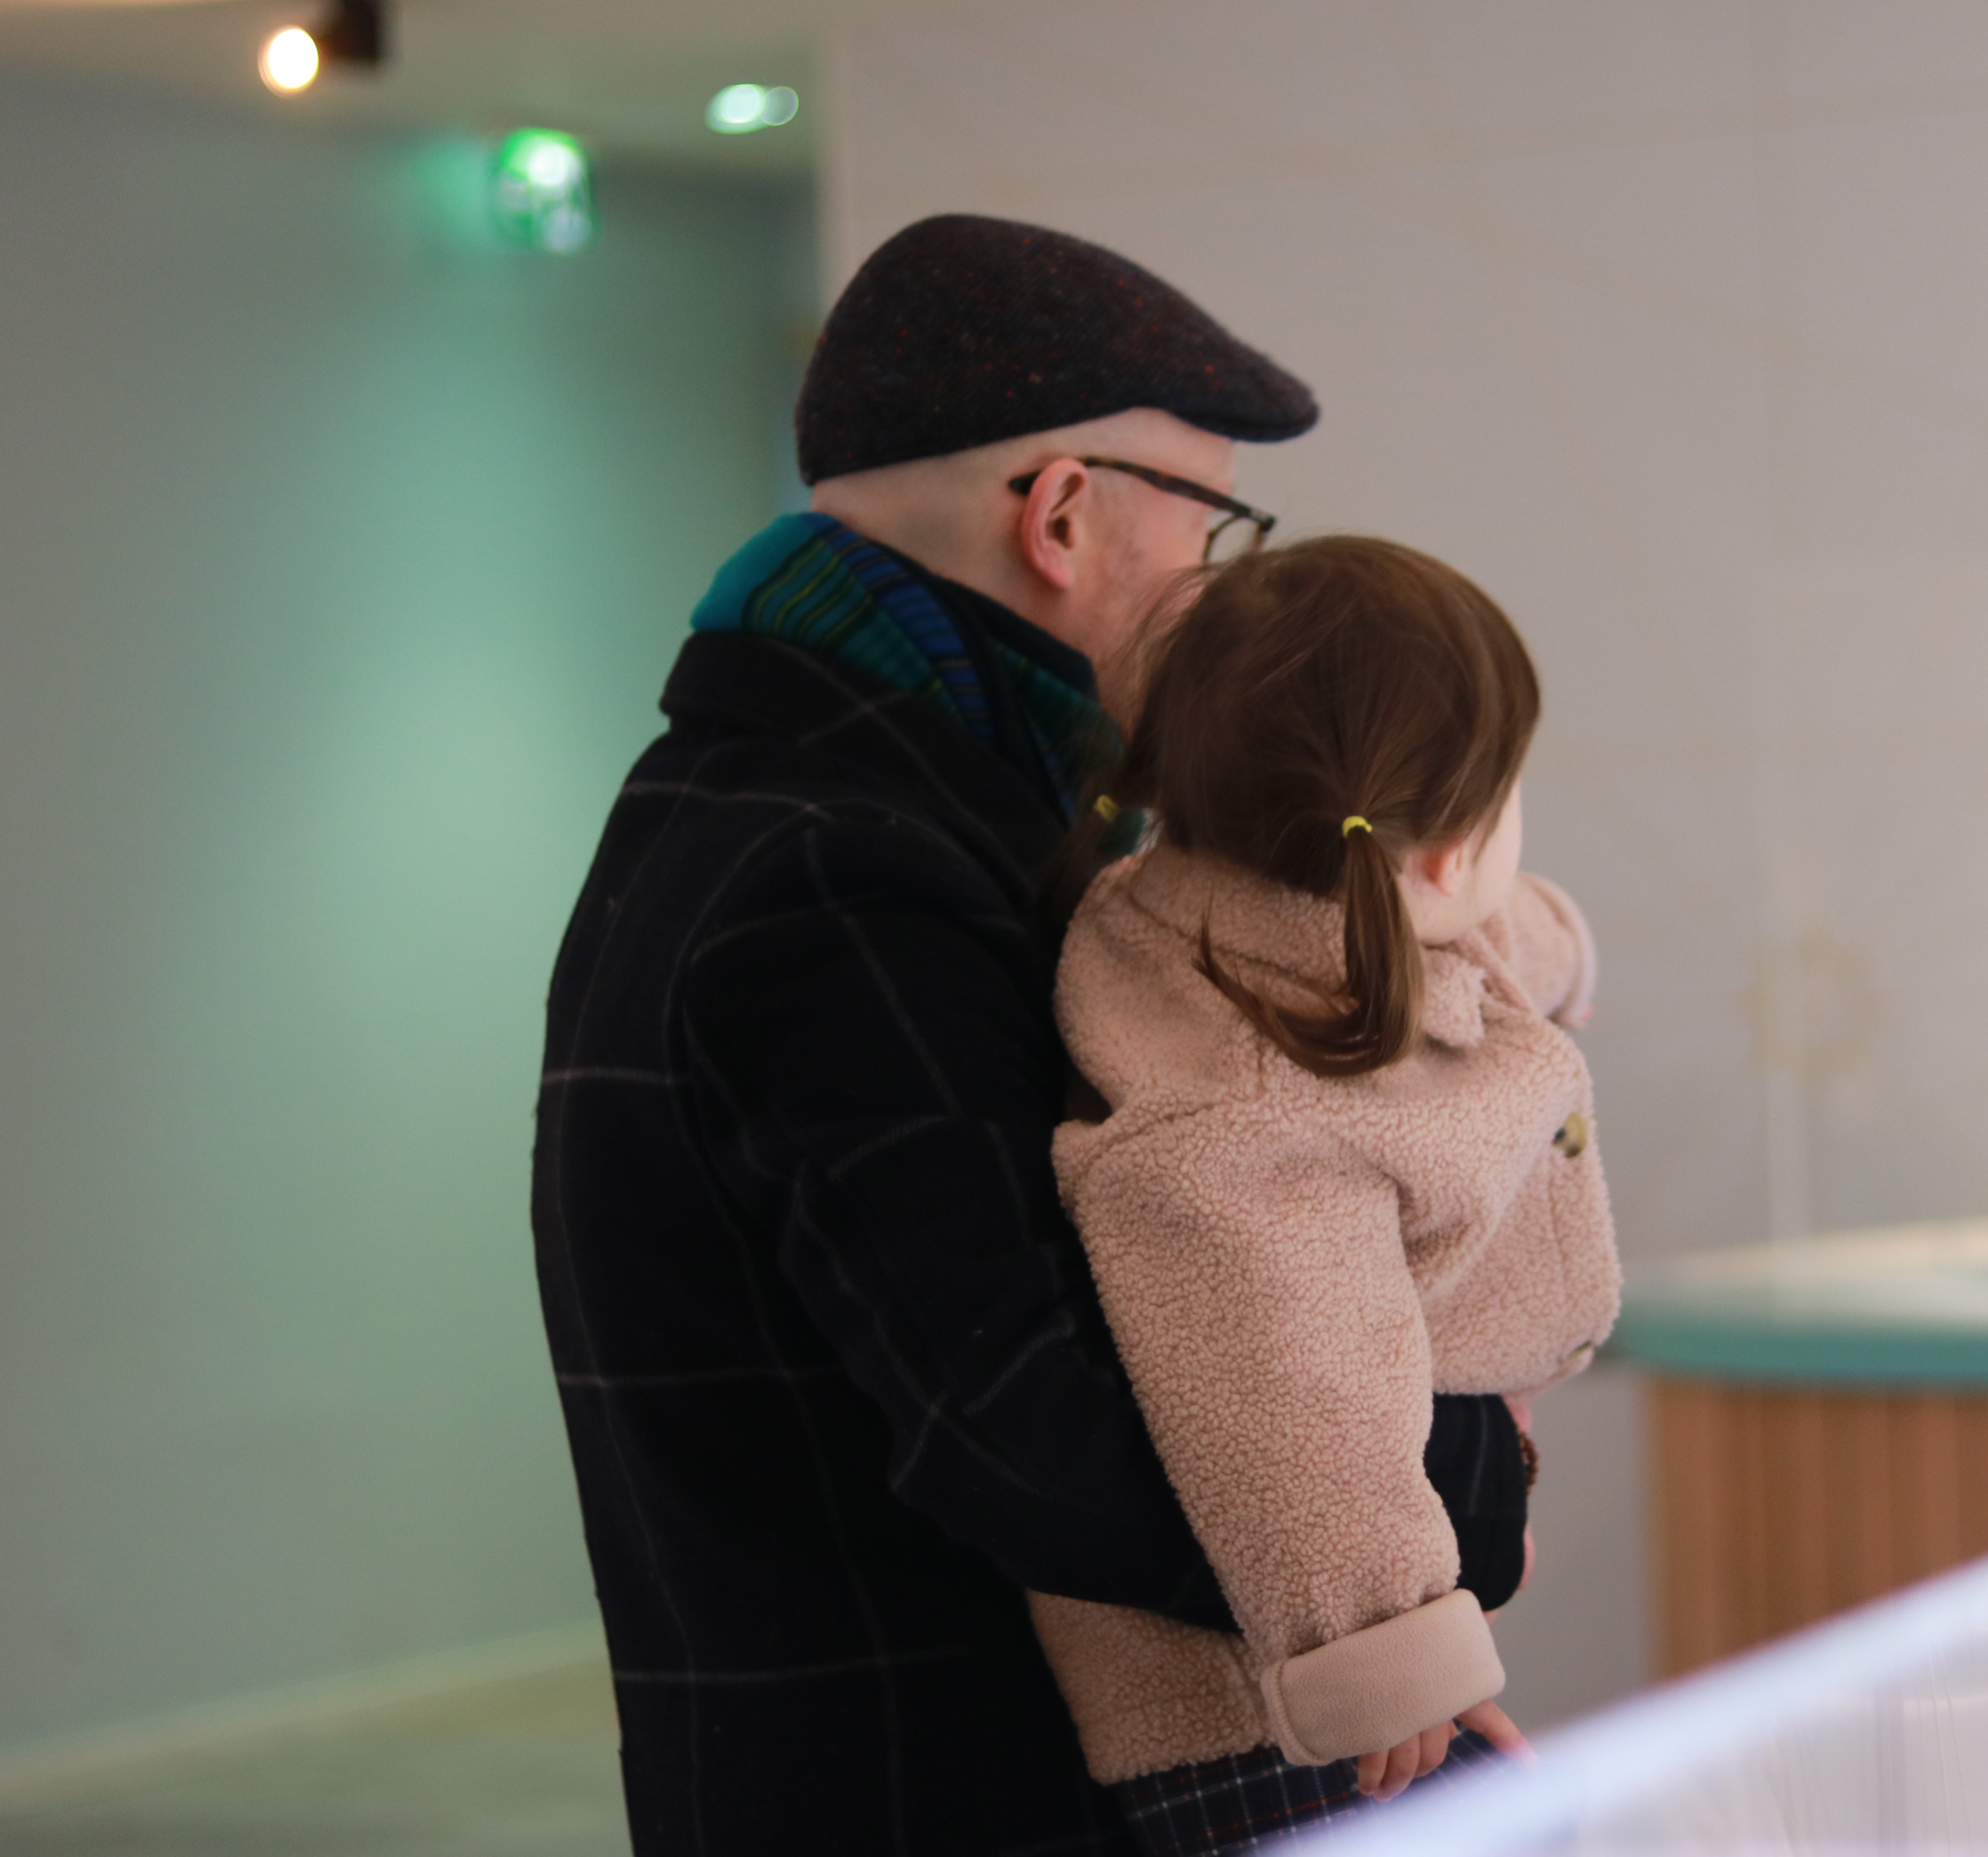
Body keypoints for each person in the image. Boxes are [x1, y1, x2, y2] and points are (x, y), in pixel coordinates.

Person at [531, 216, 1532, 1856]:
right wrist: (1465, 1479)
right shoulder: (850, 873)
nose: (1220, 591)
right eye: (1213, 527)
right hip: (949, 1798)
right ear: (1064, 514)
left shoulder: (794, 803)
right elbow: (1033, 1429)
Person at [1031, 538, 1621, 1854]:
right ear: (1445, 851)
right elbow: (1290, 1396)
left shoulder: (1285, 897)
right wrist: (1387, 1650)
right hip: (1258, 1701)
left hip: (1335, 1626)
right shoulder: (1245, 1117)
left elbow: (1493, 933)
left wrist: (1567, 956)